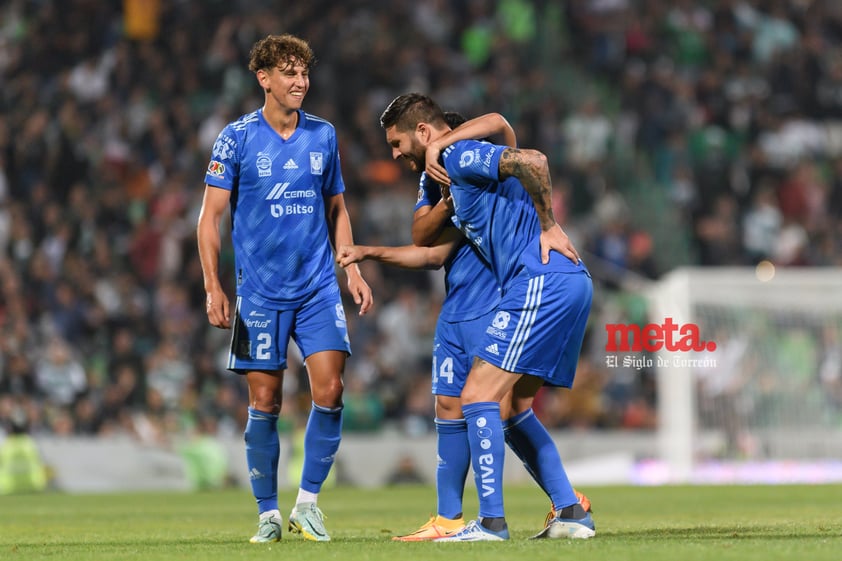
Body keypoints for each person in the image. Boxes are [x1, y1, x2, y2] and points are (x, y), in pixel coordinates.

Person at [338, 111, 590, 541]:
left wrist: (548, 224)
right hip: (564, 282)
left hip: (541, 280)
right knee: (512, 410)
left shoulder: (457, 156)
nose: (395, 154)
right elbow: (425, 241)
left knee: (476, 395)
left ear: (423, 132)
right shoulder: (450, 182)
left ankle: (491, 523)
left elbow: (529, 154)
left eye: (397, 144)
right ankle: (570, 511)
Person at [196, 33, 373, 544]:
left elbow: (336, 206)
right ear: (264, 79)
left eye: (304, 73)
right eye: (289, 73)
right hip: (258, 294)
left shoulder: (324, 134)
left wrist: (352, 266)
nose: (300, 82)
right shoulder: (236, 138)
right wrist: (213, 285)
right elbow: (209, 218)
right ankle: (268, 513)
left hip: (317, 285)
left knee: (332, 388)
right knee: (266, 400)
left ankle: (309, 505)